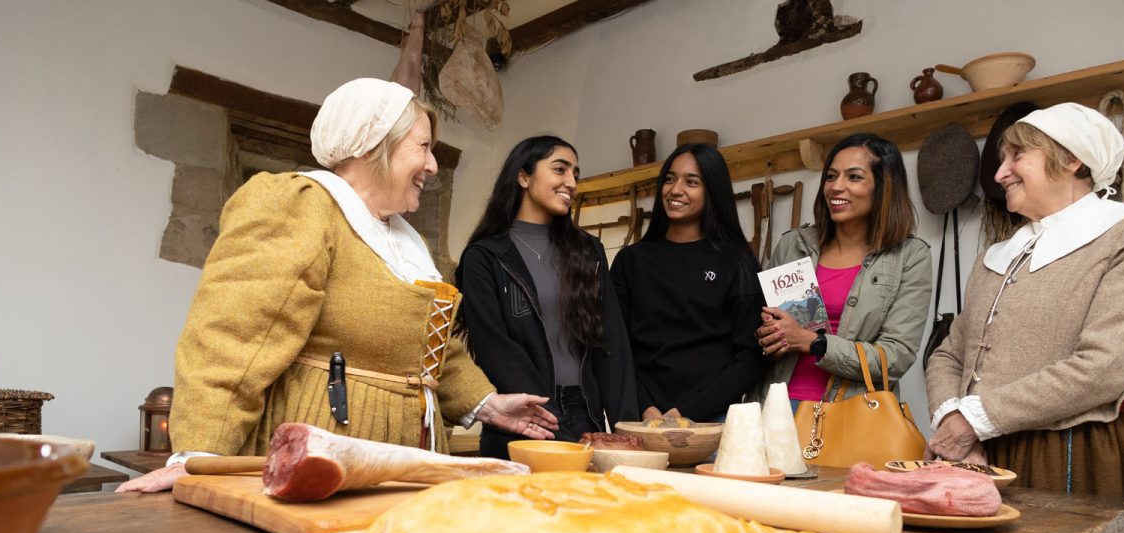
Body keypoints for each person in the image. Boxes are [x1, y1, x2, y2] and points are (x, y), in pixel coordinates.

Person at [118, 78, 556, 493]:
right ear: (374, 146)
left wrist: (488, 405)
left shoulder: (406, 239)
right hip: (320, 455)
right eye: (422, 147)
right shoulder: (301, 205)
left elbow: (430, 347)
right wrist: (197, 458)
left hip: (404, 459)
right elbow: (232, 338)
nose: (432, 165)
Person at [923, 103, 1124, 533]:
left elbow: (1104, 367)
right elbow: (948, 354)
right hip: (986, 450)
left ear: (1072, 160)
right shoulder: (1000, 255)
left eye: (1017, 155)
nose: (1001, 171)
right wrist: (952, 420)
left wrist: (973, 419)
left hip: (1082, 449)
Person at [455, 135, 640, 459]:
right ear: (523, 176)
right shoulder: (484, 257)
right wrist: (553, 423)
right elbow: (495, 350)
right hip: (519, 419)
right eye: (560, 169)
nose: (571, 182)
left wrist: (629, 435)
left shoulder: (589, 252)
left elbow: (611, 345)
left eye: (576, 175)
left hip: (585, 414)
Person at [752, 133, 932, 414]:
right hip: (776, 408)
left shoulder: (909, 256)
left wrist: (813, 343)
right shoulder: (793, 244)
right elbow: (761, 326)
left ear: (884, 187)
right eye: (831, 176)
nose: (836, 187)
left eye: (854, 177)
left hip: (853, 416)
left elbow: (894, 357)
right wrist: (767, 336)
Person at [609, 144, 767, 423]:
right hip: (640, 417)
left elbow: (751, 357)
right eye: (669, 179)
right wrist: (645, 407)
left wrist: (687, 413)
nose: (675, 190)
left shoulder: (736, 262)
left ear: (713, 191)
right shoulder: (631, 261)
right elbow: (614, 346)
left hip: (709, 421)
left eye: (691, 182)